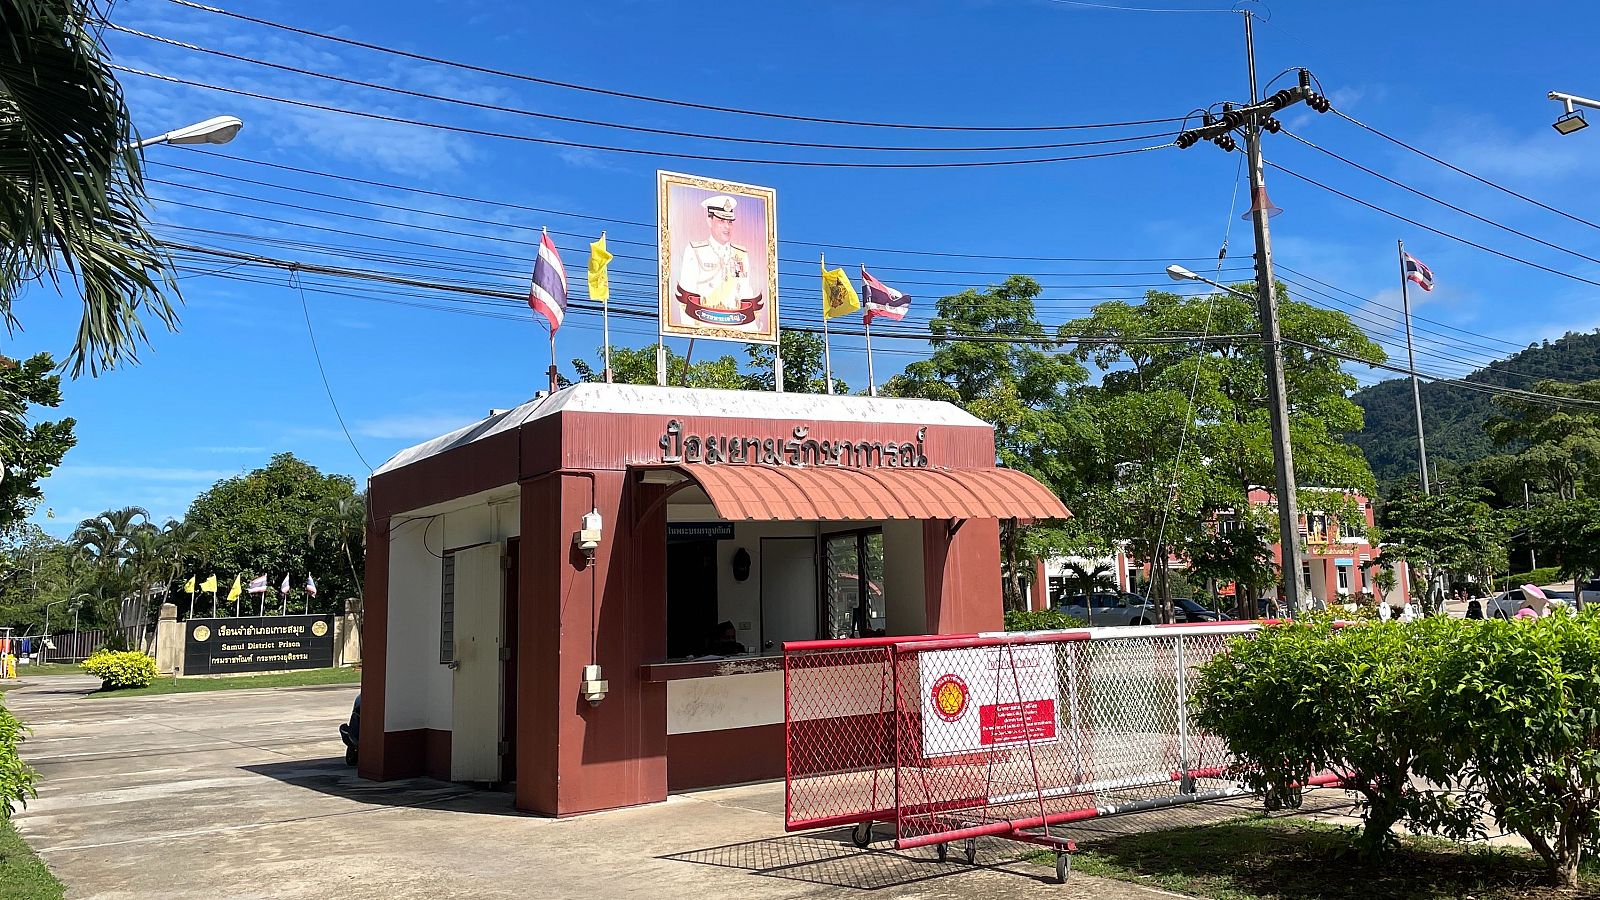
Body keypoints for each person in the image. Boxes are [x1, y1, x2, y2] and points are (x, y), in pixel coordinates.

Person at [676, 195, 756, 310]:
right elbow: (686, 296)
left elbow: (746, 293)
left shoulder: (741, 255)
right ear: (709, 221)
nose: (727, 227)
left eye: (730, 222)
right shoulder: (695, 250)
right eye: (721, 221)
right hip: (702, 319)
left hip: (735, 321)